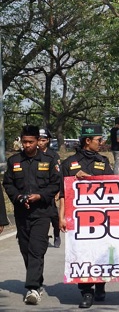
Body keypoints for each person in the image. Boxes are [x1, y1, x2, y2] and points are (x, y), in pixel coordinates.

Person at [3, 125, 61, 305]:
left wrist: (40, 196)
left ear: (38, 141)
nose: (27, 145)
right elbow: (8, 184)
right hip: (22, 213)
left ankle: (33, 288)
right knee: (26, 250)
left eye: (31, 142)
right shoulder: (14, 161)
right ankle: (37, 280)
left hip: (42, 212)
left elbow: (55, 184)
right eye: (24, 141)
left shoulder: (49, 160)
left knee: (37, 249)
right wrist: (18, 197)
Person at [60, 123, 112, 308]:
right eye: (99, 140)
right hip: (78, 220)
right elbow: (63, 194)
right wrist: (61, 216)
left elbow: (112, 187)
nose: (101, 142)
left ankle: (100, 285)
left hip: (100, 218)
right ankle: (86, 291)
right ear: (87, 141)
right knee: (81, 254)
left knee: (100, 253)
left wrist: (89, 178)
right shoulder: (69, 163)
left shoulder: (103, 161)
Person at [37, 128, 62, 248]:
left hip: (49, 191)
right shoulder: (32, 155)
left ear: (48, 140)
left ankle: (56, 235)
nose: (40, 143)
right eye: (38, 140)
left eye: (43, 140)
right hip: (36, 190)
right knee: (41, 218)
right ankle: (43, 237)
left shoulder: (52, 156)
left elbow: (58, 175)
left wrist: (57, 191)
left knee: (53, 216)